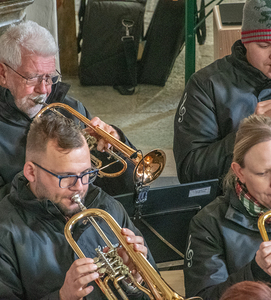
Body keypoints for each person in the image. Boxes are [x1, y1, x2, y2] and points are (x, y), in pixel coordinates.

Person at [0, 113, 156, 299]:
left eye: (86, 173)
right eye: (66, 177)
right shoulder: (5, 232)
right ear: (31, 172)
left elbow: (153, 293)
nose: (80, 186)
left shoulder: (109, 208)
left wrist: (135, 282)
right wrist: (62, 297)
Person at [0, 20, 136, 198]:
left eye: (49, 77)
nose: (44, 90)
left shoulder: (71, 109)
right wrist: (49, 179)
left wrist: (115, 145)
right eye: (32, 78)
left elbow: (123, 190)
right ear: (3, 74)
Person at [173, 0, 271, 188]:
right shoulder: (205, 85)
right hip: (233, 205)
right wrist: (246, 134)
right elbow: (190, 172)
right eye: (264, 45)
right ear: (246, 41)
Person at [184, 114, 271, 299]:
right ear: (240, 172)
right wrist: (255, 272)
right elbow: (203, 297)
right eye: (263, 173)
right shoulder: (208, 224)